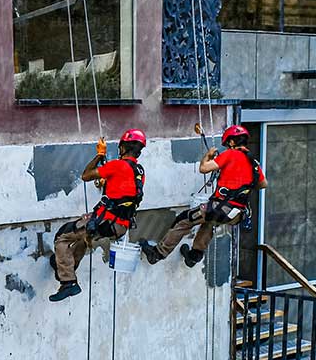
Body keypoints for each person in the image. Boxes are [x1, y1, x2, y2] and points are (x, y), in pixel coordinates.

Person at [140, 125, 267, 267]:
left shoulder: (230, 154)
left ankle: (158, 253)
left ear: (232, 142)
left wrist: (208, 156)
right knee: (209, 223)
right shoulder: (253, 162)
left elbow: (203, 168)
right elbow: (263, 184)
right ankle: (193, 257)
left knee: (183, 220)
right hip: (236, 214)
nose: (226, 147)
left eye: (227, 144)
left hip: (219, 207)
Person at [49, 129, 146, 302]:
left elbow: (86, 175)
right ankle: (66, 267)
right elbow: (121, 188)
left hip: (105, 221)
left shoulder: (116, 165)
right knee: (83, 238)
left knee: (62, 237)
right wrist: (106, 180)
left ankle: (68, 281)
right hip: (120, 227)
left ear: (123, 147)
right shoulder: (139, 171)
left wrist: (100, 155)